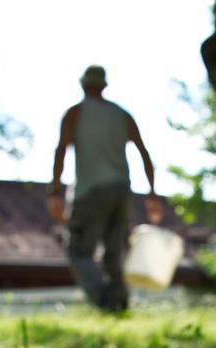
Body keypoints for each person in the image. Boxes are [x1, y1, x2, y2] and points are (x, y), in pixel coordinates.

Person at [48, 65, 161, 312]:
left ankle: (106, 302)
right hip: (121, 189)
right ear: (104, 86)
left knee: (79, 251)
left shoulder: (75, 114)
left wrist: (55, 191)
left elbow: (60, 151)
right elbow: (144, 153)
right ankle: (120, 302)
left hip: (91, 190)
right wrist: (152, 193)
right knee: (115, 252)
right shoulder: (122, 115)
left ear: (83, 85)